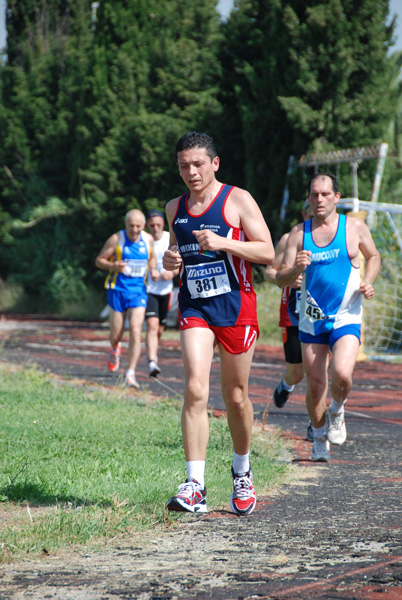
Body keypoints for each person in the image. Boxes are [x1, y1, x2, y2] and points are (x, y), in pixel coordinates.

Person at [162, 131, 274, 516]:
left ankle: (242, 471)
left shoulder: (237, 200)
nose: (191, 172)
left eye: (197, 164)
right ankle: (195, 485)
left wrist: (225, 243)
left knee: (236, 396)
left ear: (214, 163)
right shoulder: (174, 207)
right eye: (183, 166)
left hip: (236, 308)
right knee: (195, 387)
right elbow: (177, 252)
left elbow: (267, 250)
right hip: (195, 305)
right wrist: (170, 261)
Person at [276, 173, 381, 462]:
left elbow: (373, 256)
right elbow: (279, 278)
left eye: (325, 194)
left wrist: (368, 281)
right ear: (308, 198)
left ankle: (337, 409)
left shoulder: (354, 227)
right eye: (314, 195)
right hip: (312, 320)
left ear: (336, 196)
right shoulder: (299, 233)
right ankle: (319, 437)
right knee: (314, 386)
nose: (319, 199)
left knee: (343, 374)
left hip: (346, 315)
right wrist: (295, 270)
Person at [264, 199, 316, 442]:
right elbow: (268, 272)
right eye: (312, 215)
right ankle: (286, 385)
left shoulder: (337, 238)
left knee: (317, 371)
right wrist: (284, 278)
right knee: (296, 373)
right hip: (293, 315)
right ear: (303, 214)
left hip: (321, 315)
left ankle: (314, 424)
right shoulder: (289, 239)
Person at [95, 209, 157, 389]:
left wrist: (153, 269)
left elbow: (151, 259)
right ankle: (114, 348)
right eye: (131, 226)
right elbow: (99, 260)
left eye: (138, 226)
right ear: (126, 225)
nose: (135, 230)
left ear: (143, 225)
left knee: (136, 331)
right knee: (116, 335)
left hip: (138, 292)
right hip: (117, 291)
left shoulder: (148, 239)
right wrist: (113, 266)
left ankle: (131, 373)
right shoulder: (116, 239)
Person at [145, 209, 179, 378]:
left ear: (163, 225)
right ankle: (152, 362)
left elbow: (181, 265)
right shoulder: (144, 240)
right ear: (147, 226)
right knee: (151, 326)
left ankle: (152, 352)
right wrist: (150, 271)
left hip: (166, 290)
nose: (155, 228)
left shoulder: (169, 238)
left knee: (158, 329)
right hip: (149, 290)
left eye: (158, 225)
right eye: (152, 225)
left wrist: (171, 273)